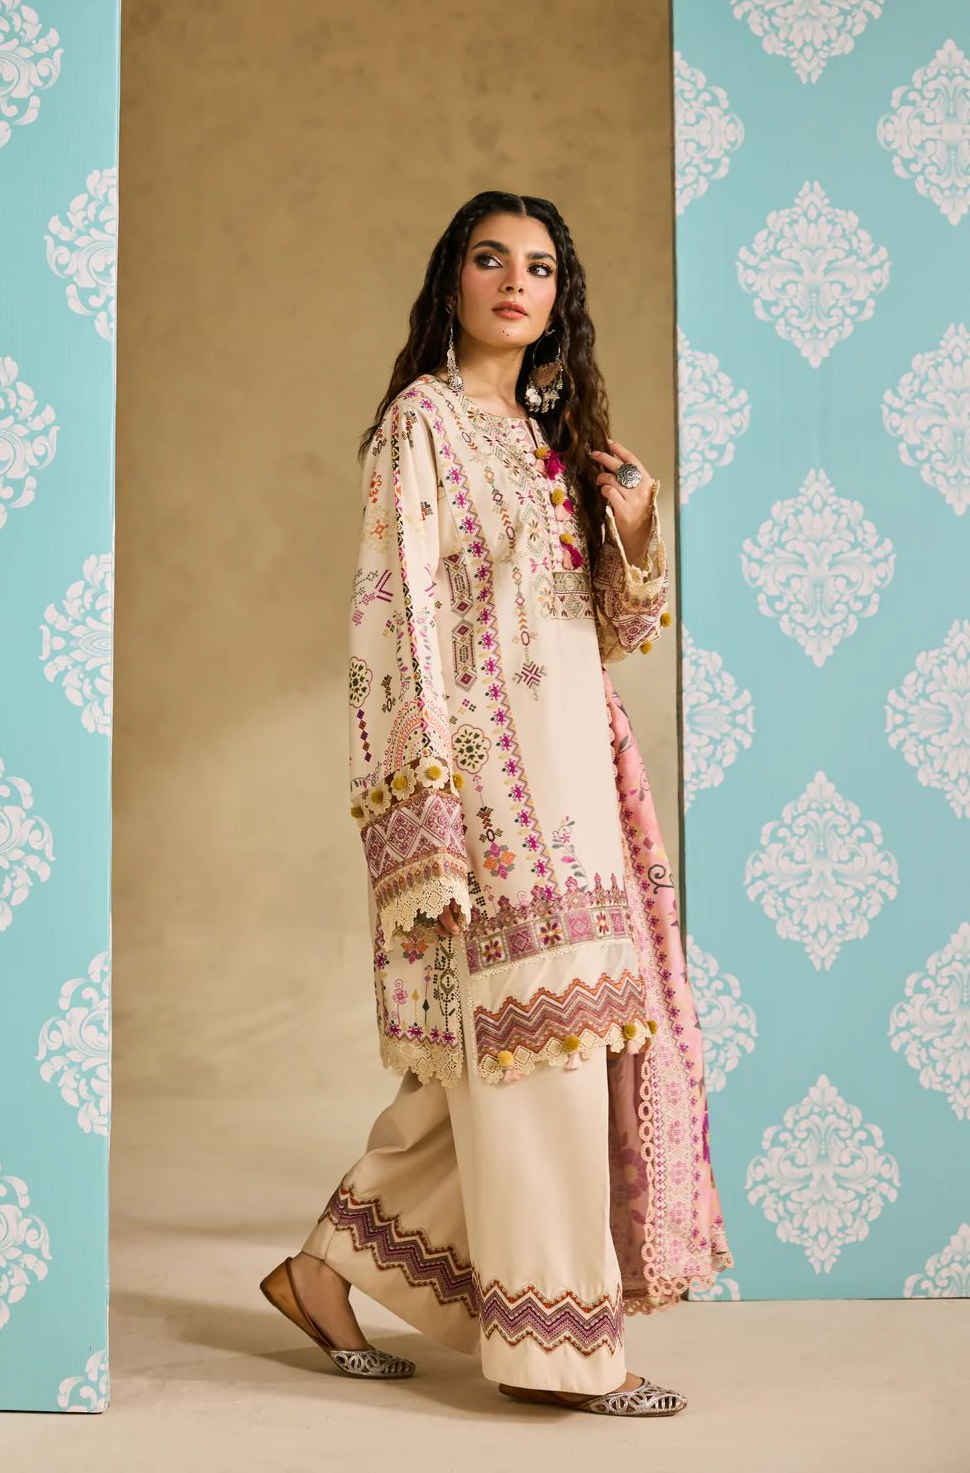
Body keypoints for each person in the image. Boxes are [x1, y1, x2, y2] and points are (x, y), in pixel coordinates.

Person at [261, 190, 732, 1416]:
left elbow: (602, 632)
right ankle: (561, 1355)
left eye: (539, 266)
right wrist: (426, 822)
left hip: (586, 785)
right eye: (490, 259)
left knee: (503, 1064)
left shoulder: (546, 436)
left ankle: (324, 1270)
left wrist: (636, 528)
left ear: (559, 299)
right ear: (453, 281)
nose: (516, 281)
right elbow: (396, 618)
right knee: (535, 1069)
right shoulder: (420, 424)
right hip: (491, 792)